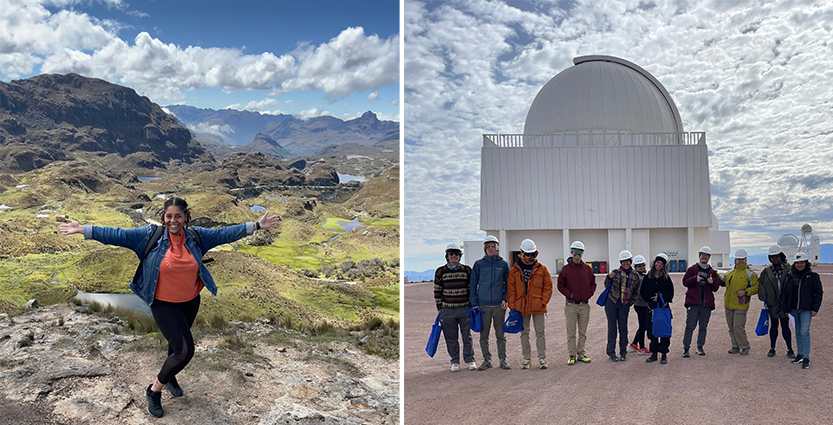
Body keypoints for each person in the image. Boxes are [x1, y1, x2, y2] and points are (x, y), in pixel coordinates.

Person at [59, 197, 280, 418]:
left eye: (178, 216)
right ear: (163, 218)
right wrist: (82, 229)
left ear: (186, 217)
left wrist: (257, 225)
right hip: (163, 304)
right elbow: (117, 235)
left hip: (190, 301)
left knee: (176, 347)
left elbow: (225, 234)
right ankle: (154, 390)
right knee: (185, 350)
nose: (173, 220)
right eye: (169, 216)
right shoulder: (150, 236)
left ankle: (170, 375)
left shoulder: (196, 237)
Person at [507, 239, 553, 369]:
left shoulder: (542, 269)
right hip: (521, 307)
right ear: (521, 253)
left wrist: (542, 302)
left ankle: (542, 357)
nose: (530, 257)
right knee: (524, 333)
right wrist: (513, 306)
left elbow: (548, 287)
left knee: (540, 333)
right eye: (527, 254)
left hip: (538, 307)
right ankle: (526, 358)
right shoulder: (514, 271)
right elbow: (511, 290)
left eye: (533, 254)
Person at [469, 235, 511, 370]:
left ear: (497, 248)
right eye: (488, 247)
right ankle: (487, 360)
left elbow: (508, 284)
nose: (490, 249)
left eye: (493, 246)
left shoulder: (503, 265)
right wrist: (474, 303)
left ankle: (503, 360)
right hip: (483, 306)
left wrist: (506, 299)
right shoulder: (479, 264)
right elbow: (473, 285)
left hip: (499, 306)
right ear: (485, 249)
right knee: (484, 335)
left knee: (500, 334)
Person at [434, 243, 476, 372]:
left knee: (467, 337)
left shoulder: (467, 270)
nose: (454, 256)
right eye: (451, 254)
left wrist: (471, 305)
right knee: (451, 337)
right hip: (447, 310)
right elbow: (437, 290)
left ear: (460, 256)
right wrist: (440, 308)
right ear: (447, 256)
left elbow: (471, 289)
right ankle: (455, 361)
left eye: (457, 254)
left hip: (464, 308)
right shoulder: (440, 271)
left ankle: (470, 360)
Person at [781, 252, 823, 369]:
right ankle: (799, 354)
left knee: (805, 332)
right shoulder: (790, 276)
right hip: (793, 309)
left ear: (806, 263)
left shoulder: (812, 276)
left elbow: (818, 293)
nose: (799, 265)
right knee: (798, 332)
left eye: (802, 262)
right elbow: (785, 293)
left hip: (806, 309)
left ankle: (806, 357)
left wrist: (815, 308)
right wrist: (786, 308)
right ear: (794, 264)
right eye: (797, 263)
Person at [557, 241, 595, 365]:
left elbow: (593, 284)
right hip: (571, 305)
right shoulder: (566, 269)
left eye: (580, 252)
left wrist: (589, 294)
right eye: (575, 251)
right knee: (571, 332)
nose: (577, 254)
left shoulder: (587, 269)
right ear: (571, 252)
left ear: (582, 253)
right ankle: (572, 355)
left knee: (583, 332)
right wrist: (570, 295)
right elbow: (560, 285)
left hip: (584, 305)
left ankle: (581, 354)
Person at [681, 246, 721, 357]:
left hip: (706, 304)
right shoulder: (692, 269)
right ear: (699, 256)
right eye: (702, 255)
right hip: (693, 303)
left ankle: (700, 347)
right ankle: (686, 348)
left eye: (706, 255)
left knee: (703, 327)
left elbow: (716, 288)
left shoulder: (712, 272)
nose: (704, 257)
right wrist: (695, 279)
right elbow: (685, 282)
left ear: (709, 257)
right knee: (690, 326)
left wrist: (712, 282)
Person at [602, 250, 641, 362]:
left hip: (624, 304)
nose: (625, 263)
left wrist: (630, 302)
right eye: (623, 261)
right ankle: (611, 352)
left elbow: (636, 291)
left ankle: (623, 352)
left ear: (630, 261)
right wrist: (609, 277)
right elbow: (606, 285)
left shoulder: (635, 276)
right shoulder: (615, 272)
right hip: (612, 303)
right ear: (620, 262)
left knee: (623, 329)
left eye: (627, 261)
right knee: (612, 328)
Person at [757, 245, 794, 358]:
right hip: (772, 305)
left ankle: (790, 349)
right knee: (773, 326)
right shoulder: (766, 272)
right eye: (772, 257)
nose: (775, 259)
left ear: (781, 256)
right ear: (770, 258)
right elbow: (761, 285)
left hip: (785, 304)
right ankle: (772, 348)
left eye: (777, 256)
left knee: (785, 326)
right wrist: (765, 297)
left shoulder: (789, 269)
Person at [721, 249, 759, 355]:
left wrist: (746, 292)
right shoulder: (729, 273)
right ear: (735, 260)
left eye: (742, 259)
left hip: (741, 305)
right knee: (731, 327)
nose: (740, 261)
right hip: (728, 304)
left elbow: (756, 288)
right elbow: (722, 282)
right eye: (738, 259)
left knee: (738, 327)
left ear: (746, 259)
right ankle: (735, 346)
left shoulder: (751, 274)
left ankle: (745, 346)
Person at [641, 253, 674, 364]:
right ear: (654, 263)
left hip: (663, 309)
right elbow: (643, 292)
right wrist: (650, 299)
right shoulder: (647, 277)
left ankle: (663, 354)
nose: (658, 264)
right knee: (652, 332)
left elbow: (670, 293)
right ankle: (654, 353)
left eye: (661, 263)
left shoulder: (666, 278)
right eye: (657, 262)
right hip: (651, 309)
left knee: (664, 331)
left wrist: (660, 298)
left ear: (663, 266)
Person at [629, 255, 651, 355]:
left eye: (643, 265)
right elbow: (640, 293)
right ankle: (642, 347)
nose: (642, 267)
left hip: (641, 304)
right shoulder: (639, 278)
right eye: (639, 266)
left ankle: (634, 343)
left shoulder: (642, 276)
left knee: (643, 325)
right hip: (641, 305)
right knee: (643, 326)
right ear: (635, 267)